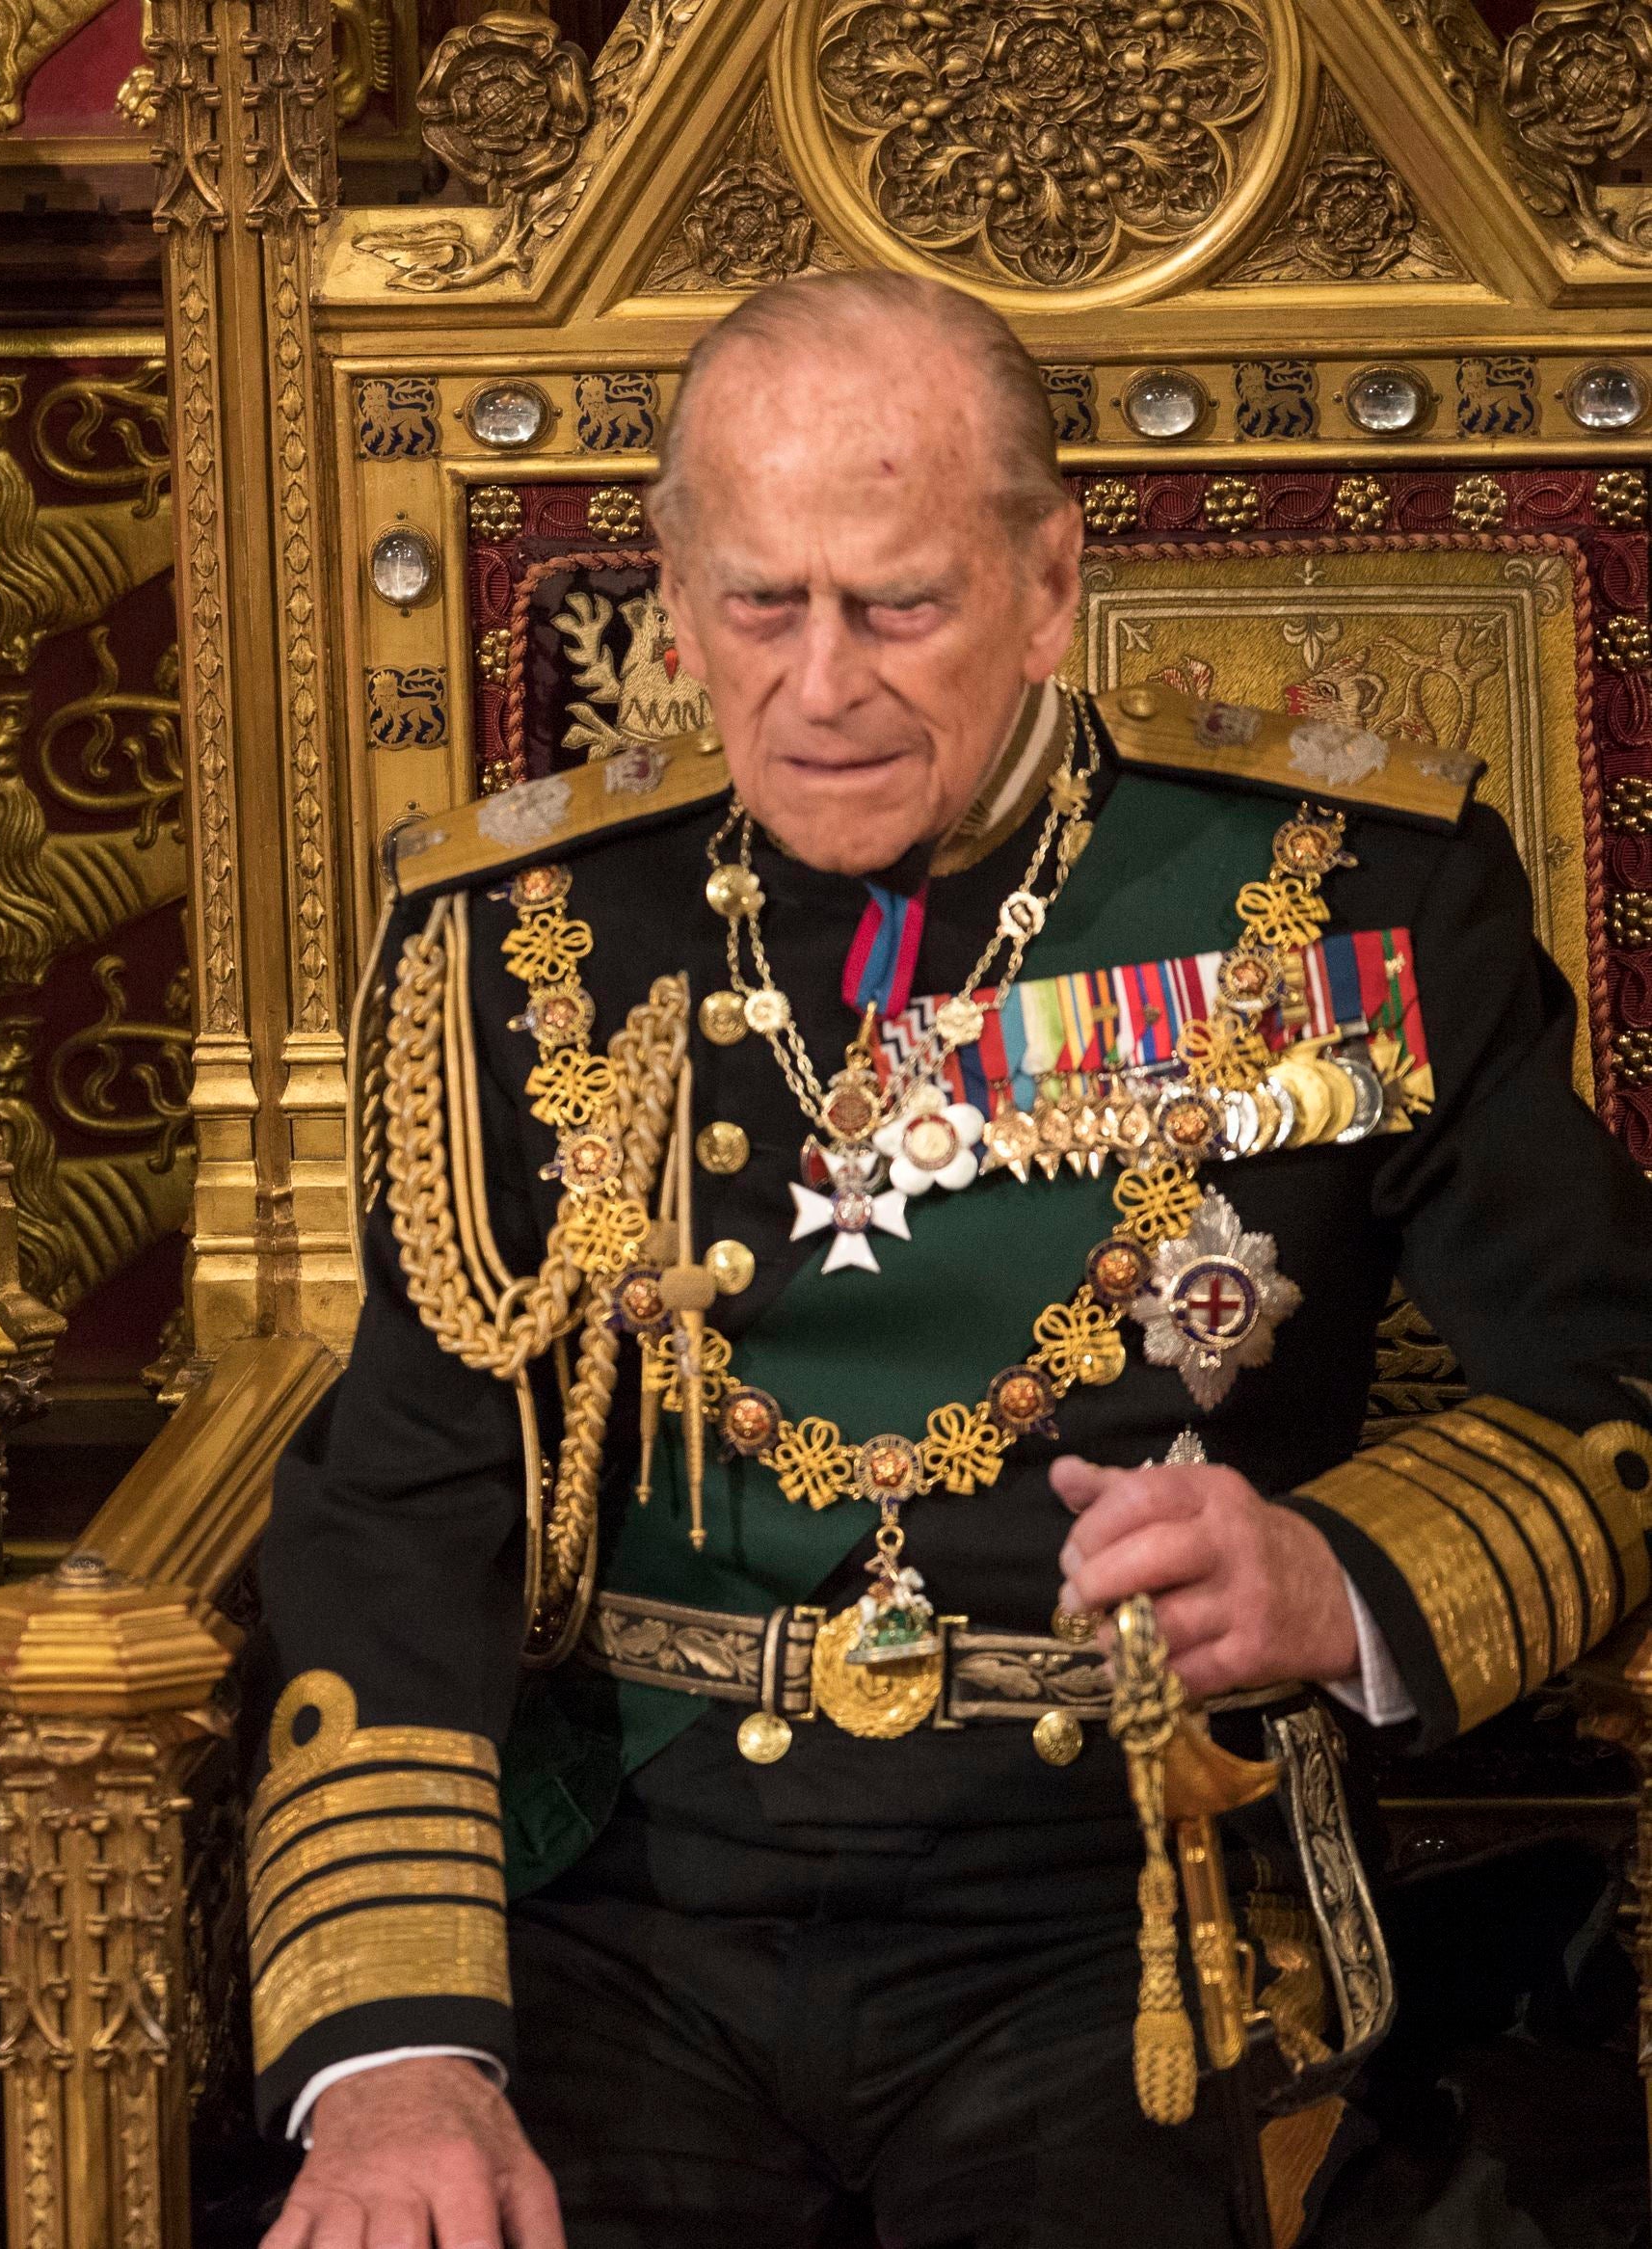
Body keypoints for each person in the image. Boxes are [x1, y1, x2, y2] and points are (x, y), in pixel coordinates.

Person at [251, 268, 1652, 2248]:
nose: (820, 684)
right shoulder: (517, 939)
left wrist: (1338, 1577)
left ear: (1050, 583)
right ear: (674, 592)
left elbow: (1614, 1389)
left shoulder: (1345, 891)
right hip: (626, 1902)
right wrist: (396, 2056)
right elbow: (395, 1507)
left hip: (1117, 1905)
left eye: (896, 605)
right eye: (758, 604)